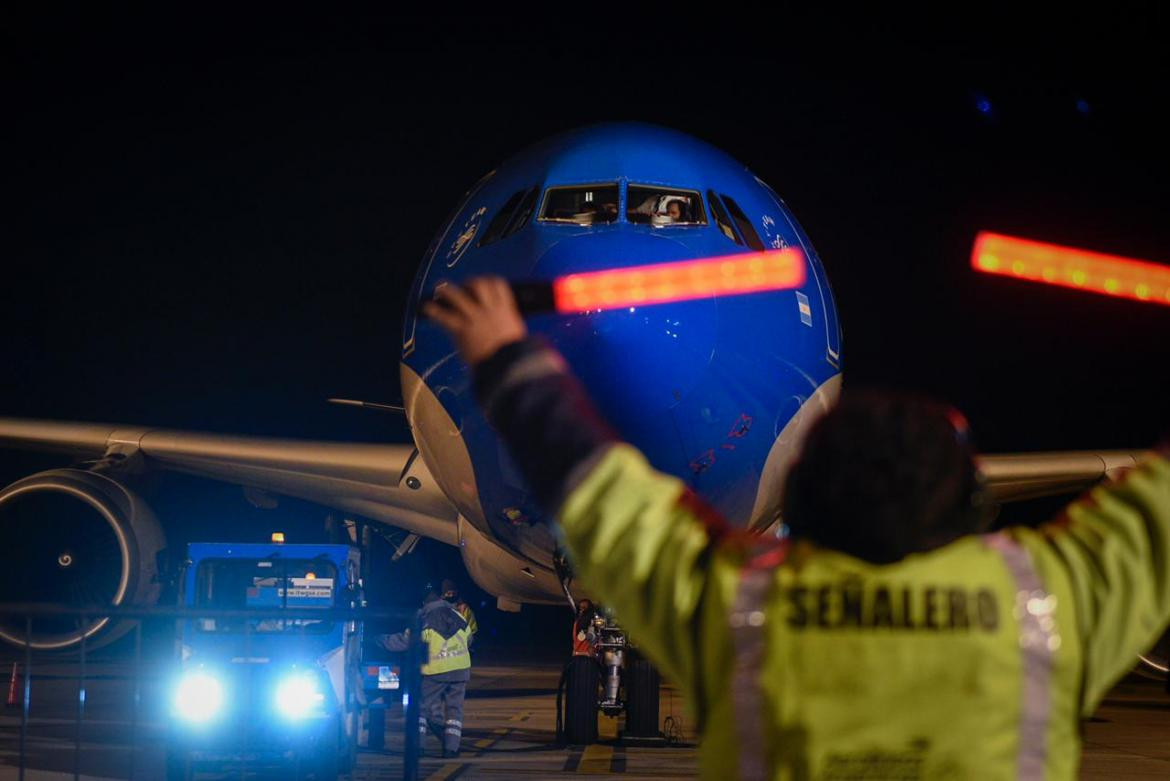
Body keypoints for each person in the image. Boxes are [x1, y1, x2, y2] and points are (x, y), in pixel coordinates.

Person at [422, 276, 1170, 780]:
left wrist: (506, 356)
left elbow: (595, 489)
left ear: (804, 499)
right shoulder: (1045, 600)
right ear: (972, 505)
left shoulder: (747, 609)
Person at [379, 587, 472, 757]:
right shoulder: (458, 616)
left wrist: (378, 640)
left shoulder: (424, 618)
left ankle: (418, 747)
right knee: (454, 711)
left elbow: (403, 641)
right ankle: (451, 749)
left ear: (424, 603)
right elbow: (469, 638)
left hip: (435, 671)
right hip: (460, 670)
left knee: (421, 708)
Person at [441, 578, 478, 648]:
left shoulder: (464, 609)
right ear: (443, 594)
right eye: (448, 593)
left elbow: (472, 630)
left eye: (453, 593)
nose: (451, 596)